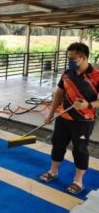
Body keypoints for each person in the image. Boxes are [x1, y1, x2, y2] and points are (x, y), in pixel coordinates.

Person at [39, 42, 99, 194]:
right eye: (68, 59)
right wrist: (51, 114)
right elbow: (59, 93)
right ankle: (53, 172)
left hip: (83, 121)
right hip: (63, 117)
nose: (70, 62)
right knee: (57, 145)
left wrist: (88, 104)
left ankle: (78, 181)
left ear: (84, 57)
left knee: (80, 150)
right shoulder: (67, 74)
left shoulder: (96, 76)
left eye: (73, 59)